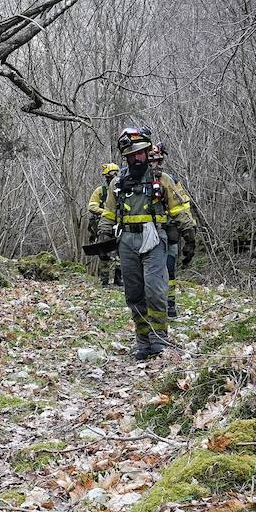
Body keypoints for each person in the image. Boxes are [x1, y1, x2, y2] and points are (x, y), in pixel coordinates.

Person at [99, 127, 196, 359]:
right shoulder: (118, 182)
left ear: (146, 151)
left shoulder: (161, 180)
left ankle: (159, 339)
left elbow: (180, 209)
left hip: (154, 240)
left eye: (140, 153)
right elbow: (109, 213)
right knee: (134, 293)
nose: (136, 158)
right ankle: (143, 341)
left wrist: (190, 237)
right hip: (126, 241)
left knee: (155, 290)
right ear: (126, 157)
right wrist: (103, 237)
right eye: (131, 155)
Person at [149, 143, 197, 317]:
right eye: (152, 161)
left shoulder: (171, 180)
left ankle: (170, 304)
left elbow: (182, 208)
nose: (155, 164)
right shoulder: (135, 180)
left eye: (158, 160)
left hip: (170, 233)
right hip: (146, 235)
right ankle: (153, 306)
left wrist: (190, 235)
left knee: (170, 269)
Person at [87, 162, 122, 286]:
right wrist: (105, 212)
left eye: (112, 176)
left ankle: (119, 279)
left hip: (120, 224)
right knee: (103, 252)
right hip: (104, 224)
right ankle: (104, 280)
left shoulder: (122, 189)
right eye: (108, 177)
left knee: (120, 252)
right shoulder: (100, 191)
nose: (110, 179)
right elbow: (92, 206)